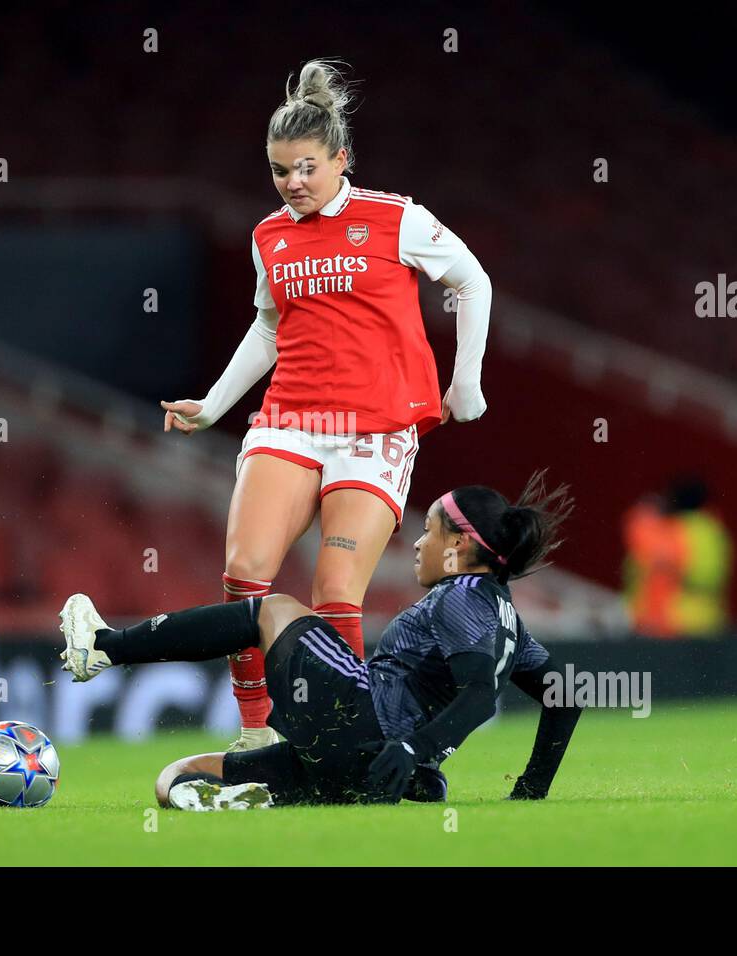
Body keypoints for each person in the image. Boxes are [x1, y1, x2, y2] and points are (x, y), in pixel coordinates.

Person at [158, 59, 494, 753]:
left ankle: (344, 742)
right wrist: (216, 405)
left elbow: (472, 281)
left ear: (341, 158)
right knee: (245, 571)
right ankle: (255, 736)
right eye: (280, 171)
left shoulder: (395, 218)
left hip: (375, 430)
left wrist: (466, 382)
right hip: (291, 419)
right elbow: (267, 327)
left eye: (307, 167)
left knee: (335, 590)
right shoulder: (268, 238)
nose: (294, 183)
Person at [59, 472, 582, 809]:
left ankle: (107, 646)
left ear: (461, 544)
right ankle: (307, 790)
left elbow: (475, 693)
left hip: (365, 725)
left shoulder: (461, 593)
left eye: (430, 530)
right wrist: (528, 792)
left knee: (274, 609)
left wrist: (413, 746)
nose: (420, 543)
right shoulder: (506, 617)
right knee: (176, 777)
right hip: (367, 767)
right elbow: (565, 698)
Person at [622, 476, 732, 638]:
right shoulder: (714, 530)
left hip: (673, 622)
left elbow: (657, 562)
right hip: (707, 622)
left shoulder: (674, 529)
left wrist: (643, 515)